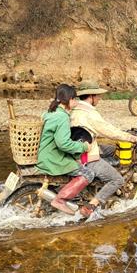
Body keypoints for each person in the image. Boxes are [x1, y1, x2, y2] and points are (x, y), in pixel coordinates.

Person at [71, 80, 137, 217]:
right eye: (97, 96)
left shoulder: (75, 109)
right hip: (86, 156)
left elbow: (102, 128)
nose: (99, 98)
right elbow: (108, 131)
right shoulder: (89, 113)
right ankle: (91, 205)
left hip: (80, 148)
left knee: (112, 150)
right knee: (117, 180)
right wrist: (132, 138)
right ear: (91, 96)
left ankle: (104, 186)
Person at [36, 84, 94, 215]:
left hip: (45, 154)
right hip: (53, 159)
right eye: (75, 99)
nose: (76, 102)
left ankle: (66, 196)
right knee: (88, 174)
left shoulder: (50, 112)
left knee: (76, 164)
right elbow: (63, 144)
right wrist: (83, 146)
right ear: (69, 99)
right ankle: (60, 200)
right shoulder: (62, 117)